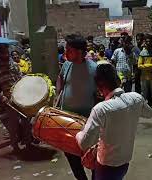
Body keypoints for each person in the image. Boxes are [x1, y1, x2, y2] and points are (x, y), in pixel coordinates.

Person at [76, 63, 152, 180]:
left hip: (106, 164)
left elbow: (84, 143)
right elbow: (149, 113)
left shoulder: (100, 109)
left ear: (98, 86)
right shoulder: (136, 98)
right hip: (125, 161)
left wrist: (79, 133)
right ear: (118, 80)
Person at [55, 34, 97, 180]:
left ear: (79, 52)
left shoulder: (94, 68)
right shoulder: (66, 65)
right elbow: (60, 78)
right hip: (67, 121)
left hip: (87, 122)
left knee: (92, 154)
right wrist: (58, 92)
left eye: (69, 49)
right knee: (71, 155)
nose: (65, 52)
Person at [0, 44, 24, 153]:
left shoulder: (14, 65)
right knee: (13, 124)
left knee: (26, 120)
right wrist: (1, 96)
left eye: (7, 52)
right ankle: (15, 146)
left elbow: (21, 80)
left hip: (21, 97)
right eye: (3, 53)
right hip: (8, 99)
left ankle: (28, 143)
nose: (7, 54)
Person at [138, 34, 152, 117]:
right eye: (146, 41)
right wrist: (150, 66)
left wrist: (145, 66)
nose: (148, 43)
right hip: (144, 77)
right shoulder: (142, 53)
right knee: (144, 95)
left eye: (149, 41)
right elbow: (139, 65)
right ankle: (143, 111)